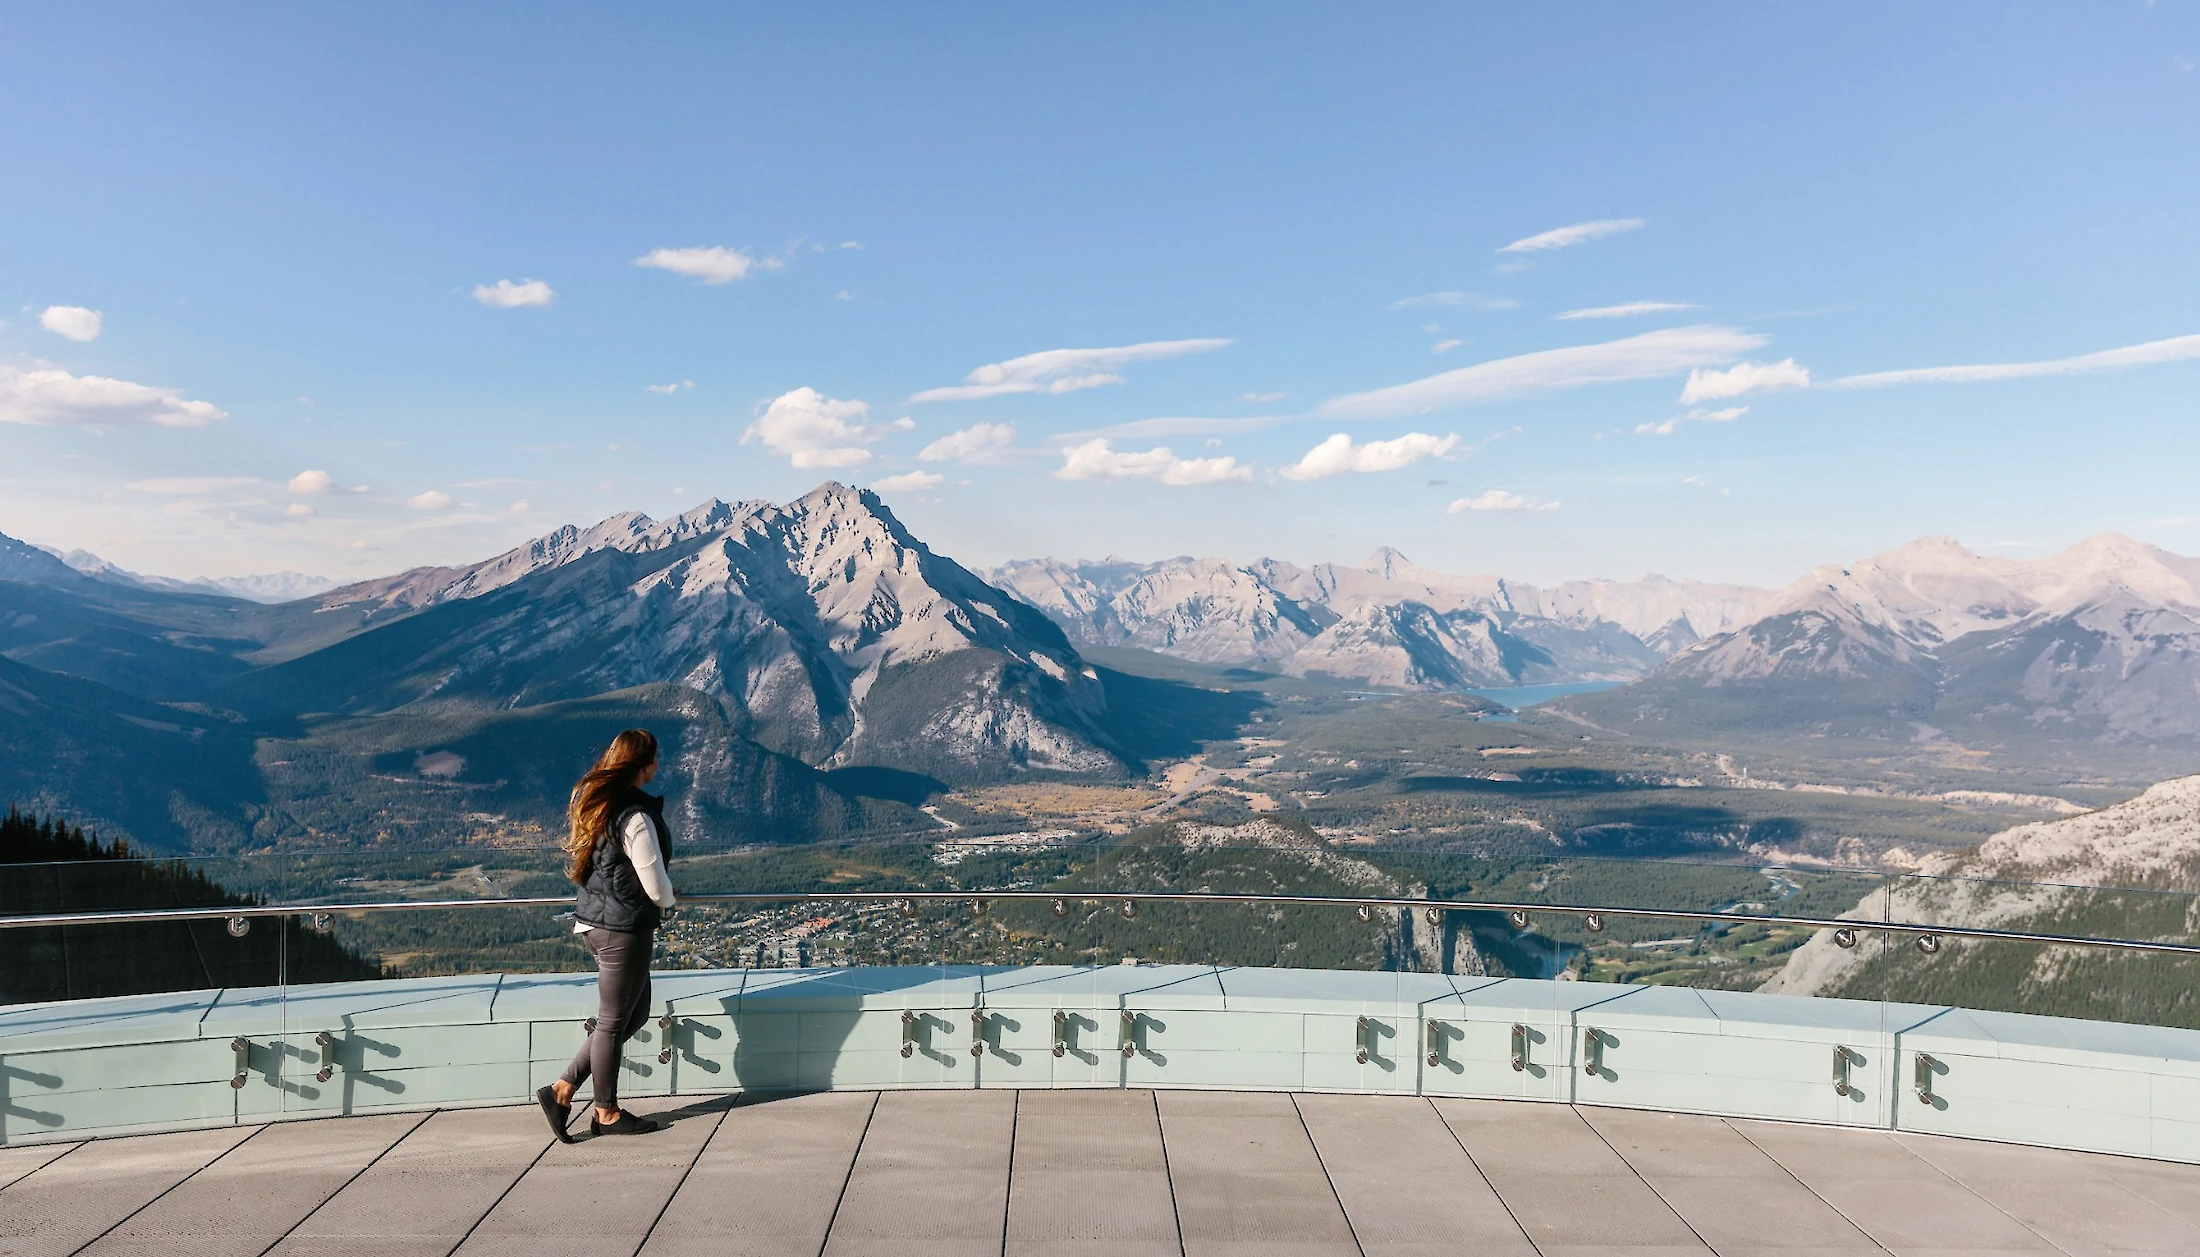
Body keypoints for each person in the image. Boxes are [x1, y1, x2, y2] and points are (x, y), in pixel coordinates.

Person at [536, 728, 677, 1141]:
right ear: (644, 765)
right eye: (656, 758)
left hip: (597, 923)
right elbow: (655, 885)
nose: (658, 765)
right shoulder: (634, 816)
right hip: (622, 929)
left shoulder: (602, 808)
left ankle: (562, 1090)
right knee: (615, 1022)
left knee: (632, 1014)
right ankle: (606, 1112)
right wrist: (669, 900)